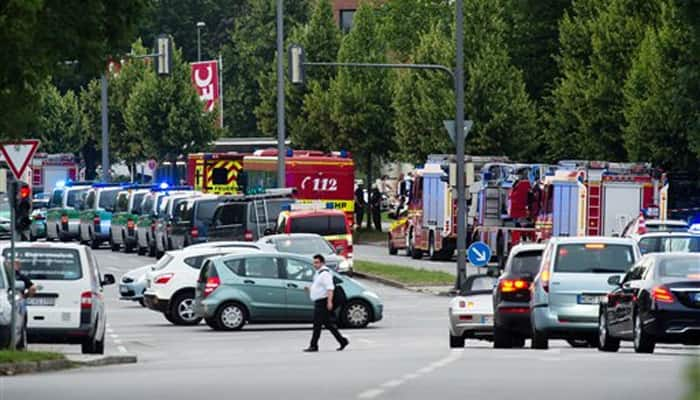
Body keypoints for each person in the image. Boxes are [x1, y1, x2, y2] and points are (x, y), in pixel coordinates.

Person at [303, 254, 349, 353]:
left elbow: (330, 289)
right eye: (314, 262)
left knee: (317, 324)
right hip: (319, 301)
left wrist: (329, 302)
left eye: (317, 262)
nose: (315, 264)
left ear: (322, 263)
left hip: (323, 302)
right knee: (328, 324)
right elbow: (319, 287)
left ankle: (313, 345)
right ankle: (342, 341)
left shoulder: (325, 274)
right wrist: (310, 289)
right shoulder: (318, 273)